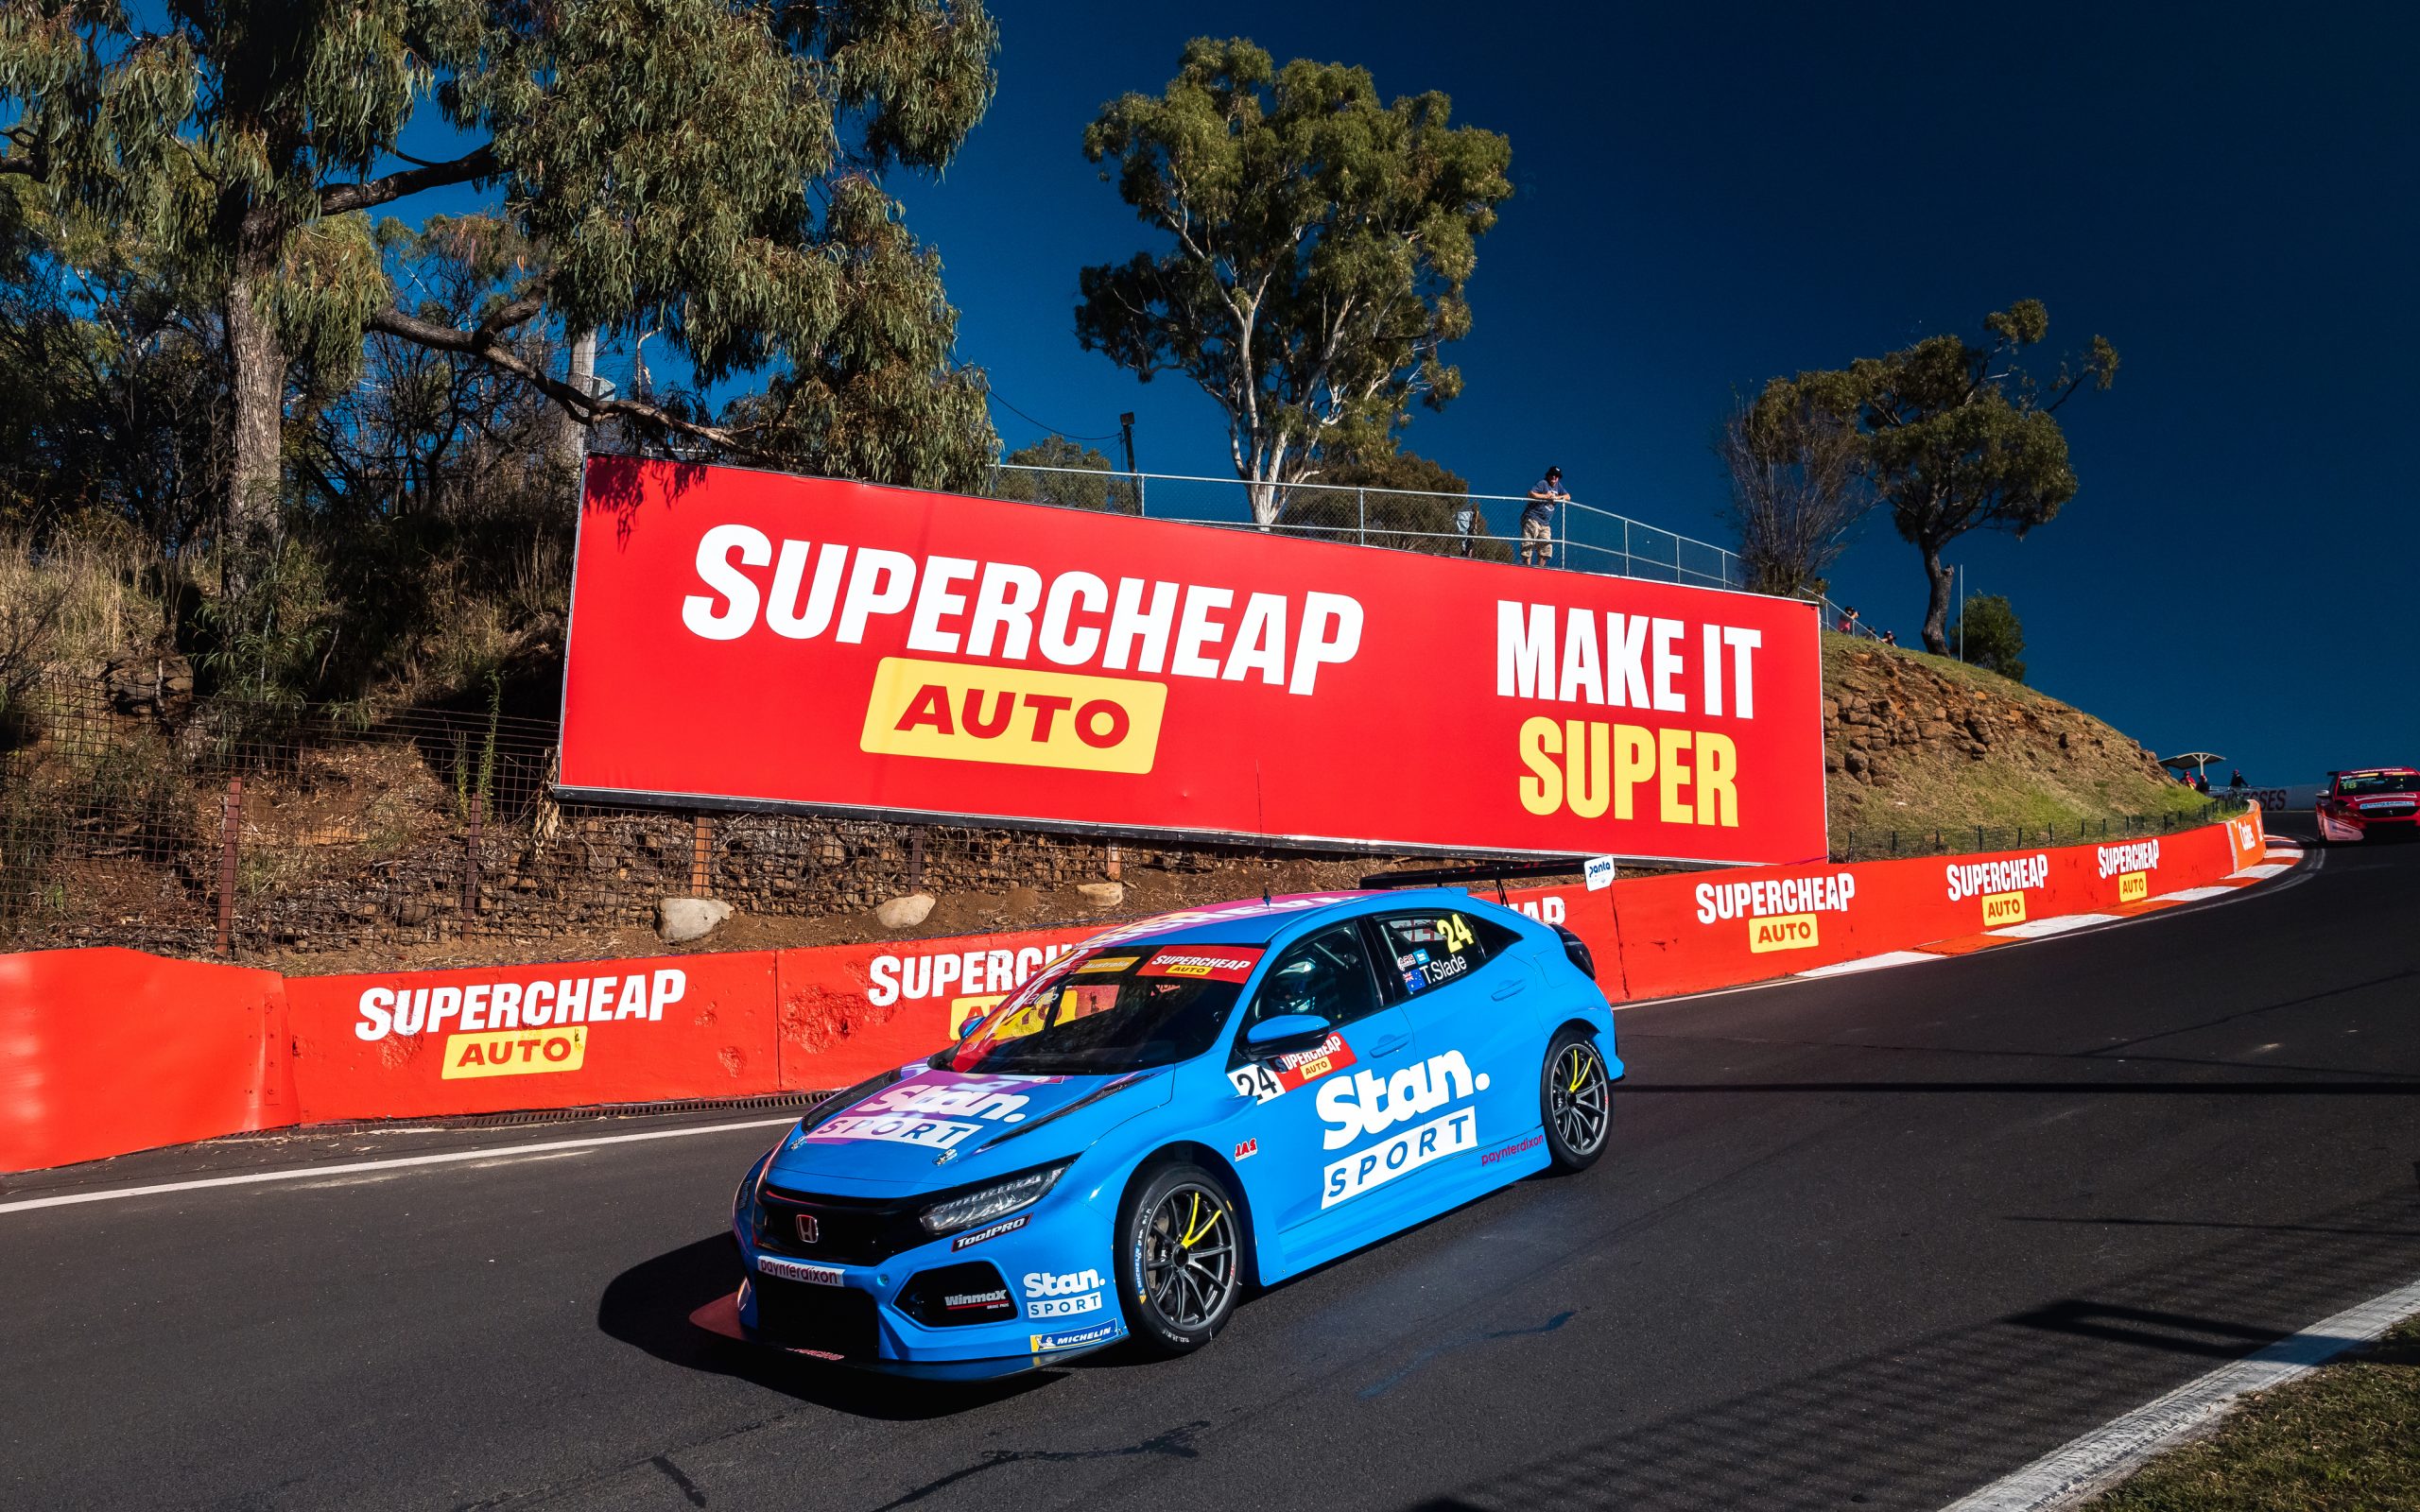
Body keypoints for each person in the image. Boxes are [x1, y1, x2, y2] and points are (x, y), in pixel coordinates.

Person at [1521, 467, 1567, 566]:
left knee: (1546, 548)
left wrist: (1556, 497)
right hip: (1533, 518)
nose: (1554, 477)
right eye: (1552, 474)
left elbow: (1568, 497)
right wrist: (1545, 496)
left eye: (1557, 476)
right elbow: (1531, 493)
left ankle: (1539, 570)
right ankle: (1526, 568)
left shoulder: (1558, 486)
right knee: (1528, 544)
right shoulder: (1543, 483)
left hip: (1545, 523)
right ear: (1548, 475)